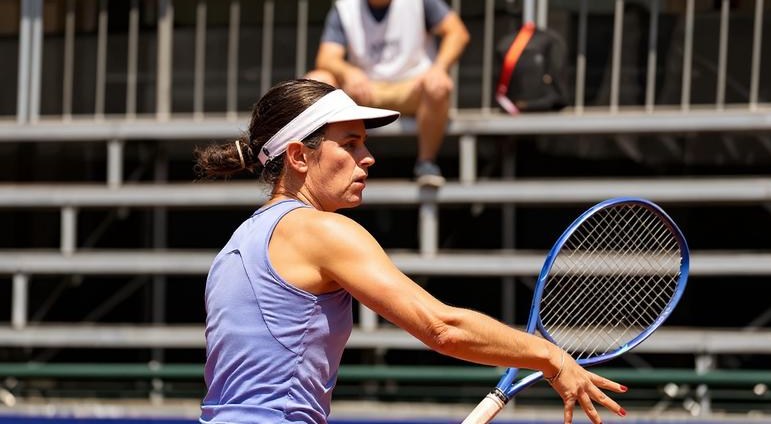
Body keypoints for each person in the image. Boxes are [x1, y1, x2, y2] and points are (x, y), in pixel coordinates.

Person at [195, 79, 626, 424]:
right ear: (298, 157)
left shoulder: (236, 245)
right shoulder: (322, 231)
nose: (368, 158)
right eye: (350, 144)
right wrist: (551, 357)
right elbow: (442, 327)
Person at [306, 0, 470, 187]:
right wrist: (348, 72)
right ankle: (318, 165)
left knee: (439, 84)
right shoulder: (346, 7)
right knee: (317, 80)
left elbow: (457, 32)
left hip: (412, 88)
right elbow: (326, 57)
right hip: (364, 92)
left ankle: (426, 163)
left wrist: (438, 68)